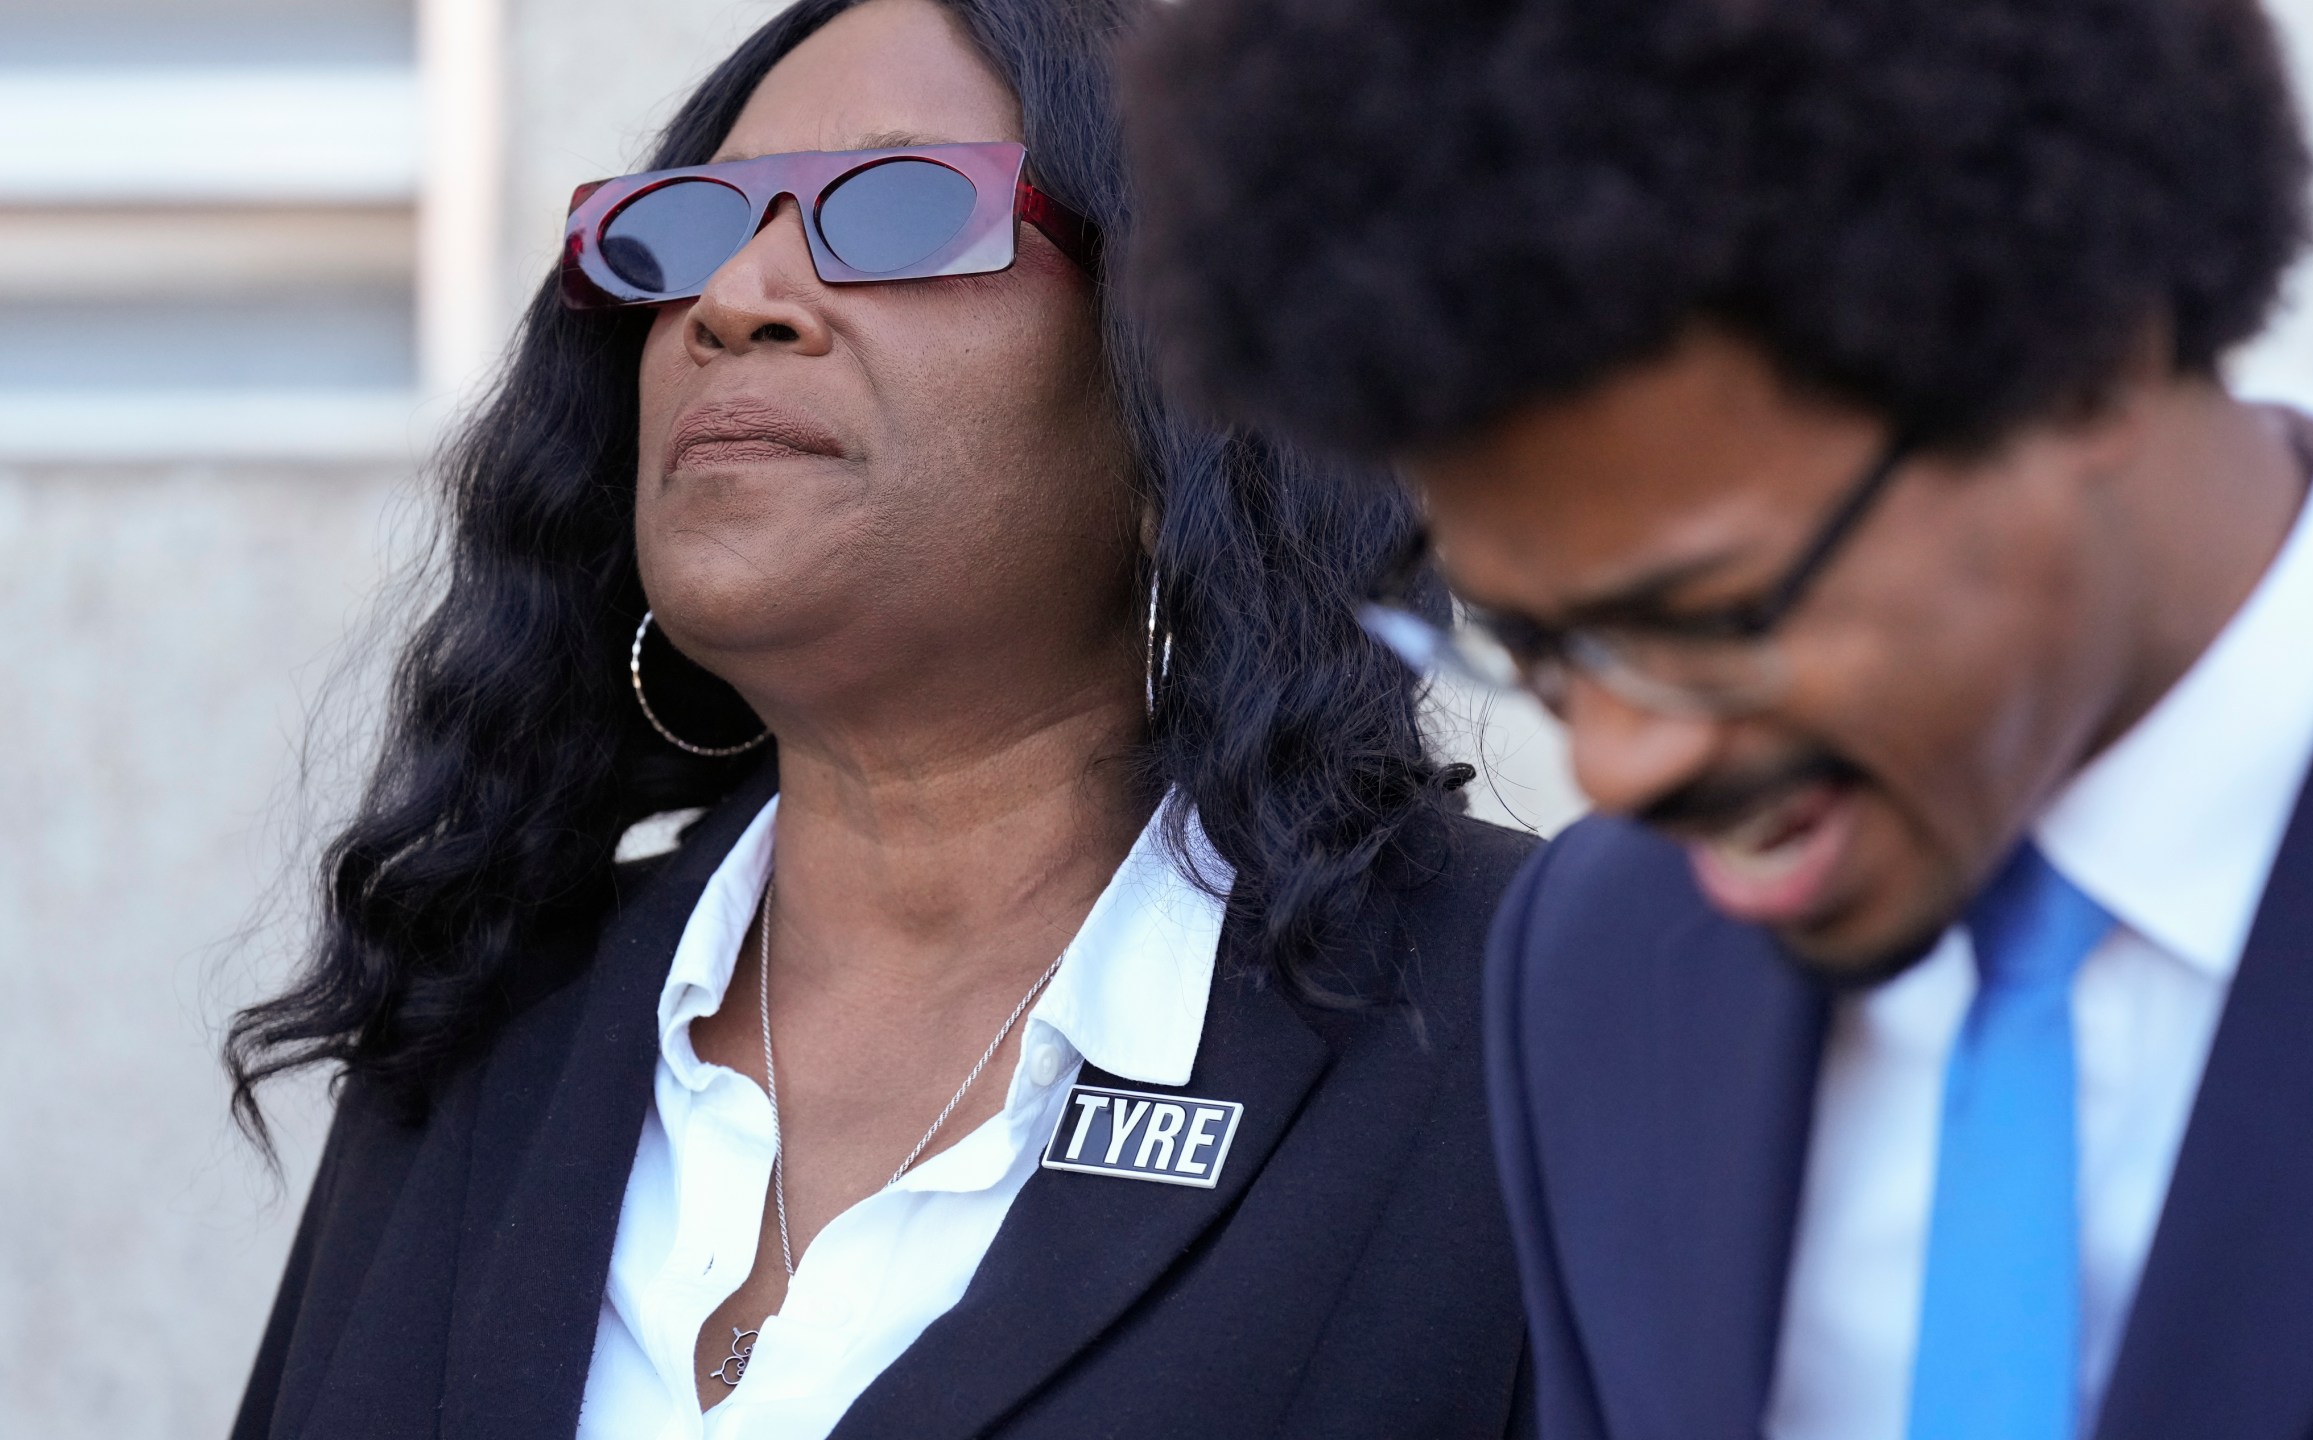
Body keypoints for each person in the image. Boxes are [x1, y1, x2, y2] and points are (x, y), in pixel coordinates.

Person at [1122, 0, 2313, 1436]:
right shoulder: (1605, 964)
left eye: (1707, 624)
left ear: (2088, 355)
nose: (1617, 767)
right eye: (1537, 644)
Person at [224, 1, 1538, 1436]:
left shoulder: (1527, 1024)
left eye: (902, 208)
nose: (736, 297)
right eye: (687, 227)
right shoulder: (489, 1025)